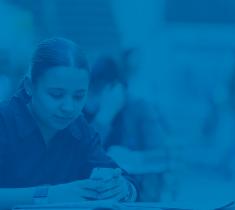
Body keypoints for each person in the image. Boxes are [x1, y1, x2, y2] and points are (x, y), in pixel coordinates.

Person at [0, 38, 137, 209]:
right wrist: (48, 195)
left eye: (79, 96)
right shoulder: (5, 122)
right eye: (56, 95)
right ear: (29, 86)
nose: (69, 107)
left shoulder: (78, 128)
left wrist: (121, 188)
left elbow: (123, 178)